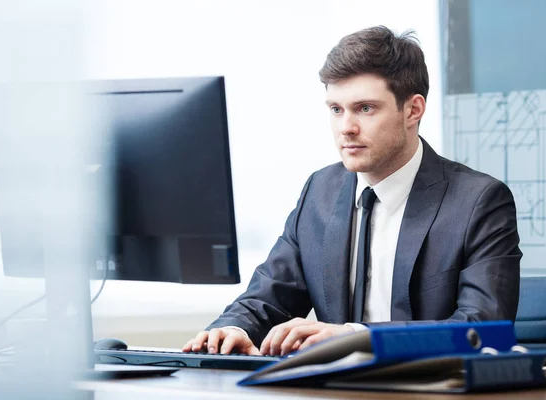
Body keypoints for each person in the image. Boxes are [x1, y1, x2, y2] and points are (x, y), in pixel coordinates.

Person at [183, 25, 522, 357]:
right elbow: (269, 294)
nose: (346, 128)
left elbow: (483, 326)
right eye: (336, 109)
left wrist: (357, 336)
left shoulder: (478, 201)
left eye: (365, 108)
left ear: (413, 110)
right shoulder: (320, 191)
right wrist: (233, 329)